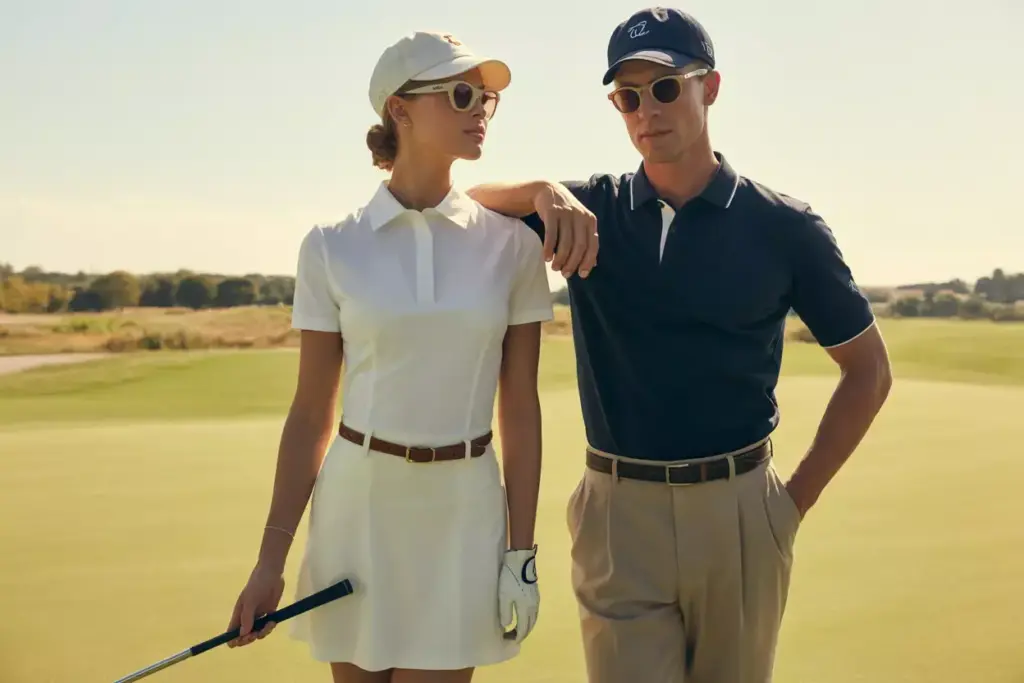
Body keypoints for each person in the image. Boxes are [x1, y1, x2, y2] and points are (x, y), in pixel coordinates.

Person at [467, 7, 893, 683]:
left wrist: (789, 506)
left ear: (711, 87)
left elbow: (868, 371)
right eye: (627, 97)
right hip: (616, 517)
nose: (646, 111)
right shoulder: (588, 209)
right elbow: (467, 200)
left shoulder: (786, 228)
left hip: (741, 513)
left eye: (665, 88)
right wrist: (542, 190)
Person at [224, 31, 554, 683]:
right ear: (398, 110)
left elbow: (520, 407)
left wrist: (521, 551)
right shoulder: (330, 247)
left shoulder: (513, 247)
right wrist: (270, 561)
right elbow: (311, 412)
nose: (479, 109)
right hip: (359, 510)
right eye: (461, 94)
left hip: (463, 513)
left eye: (485, 98)